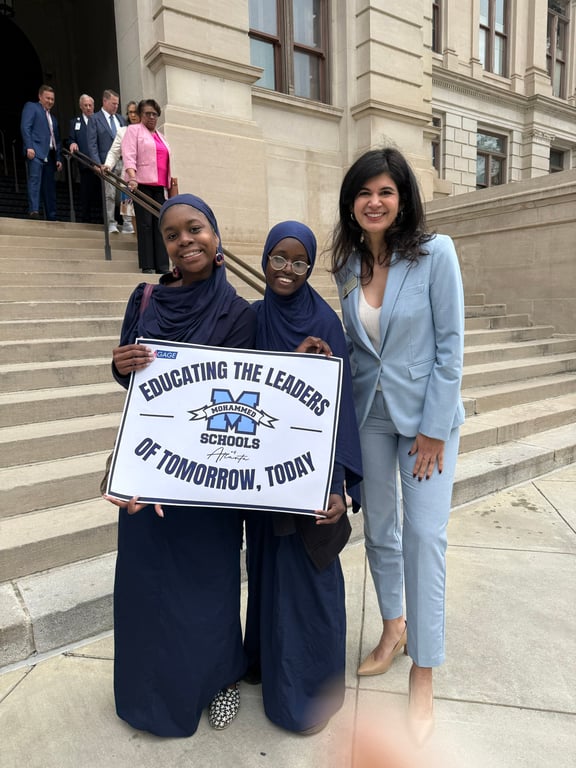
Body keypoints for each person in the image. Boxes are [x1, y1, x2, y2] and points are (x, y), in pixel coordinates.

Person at [105, 193, 257, 737]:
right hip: (147, 477)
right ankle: (147, 693)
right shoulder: (145, 298)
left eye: (195, 228)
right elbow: (136, 382)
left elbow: (239, 401)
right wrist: (120, 365)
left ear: (215, 236)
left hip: (207, 481)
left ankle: (218, 680)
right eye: (173, 234)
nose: (185, 240)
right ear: (165, 244)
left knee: (208, 586)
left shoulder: (239, 314)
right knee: (146, 587)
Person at [330, 147, 465, 745]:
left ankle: (423, 672)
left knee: (424, 538)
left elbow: (450, 347)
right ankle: (393, 628)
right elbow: (359, 349)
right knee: (380, 528)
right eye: (365, 193)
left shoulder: (436, 255)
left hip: (428, 422)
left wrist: (435, 426)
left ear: (403, 198)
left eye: (386, 192)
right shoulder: (345, 267)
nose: (375, 202)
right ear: (352, 204)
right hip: (371, 417)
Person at [243, 221, 363, 735]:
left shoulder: (326, 322)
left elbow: (339, 406)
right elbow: (237, 390)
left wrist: (337, 484)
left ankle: (308, 695)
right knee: (269, 575)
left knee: (309, 582)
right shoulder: (252, 318)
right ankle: (268, 669)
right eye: (278, 258)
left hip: (309, 483)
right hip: (262, 479)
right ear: (266, 258)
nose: (286, 271)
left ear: (310, 267)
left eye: (299, 262)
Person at [121, 98, 174, 274]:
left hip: (159, 185)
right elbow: (129, 154)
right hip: (141, 183)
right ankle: (148, 264)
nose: (151, 117)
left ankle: (162, 264)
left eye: (154, 114)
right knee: (145, 224)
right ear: (141, 115)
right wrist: (132, 176)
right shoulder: (133, 130)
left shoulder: (160, 135)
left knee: (160, 224)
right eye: (148, 113)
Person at [86, 89, 126, 233]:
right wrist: (97, 164)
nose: (116, 106)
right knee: (109, 194)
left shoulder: (121, 119)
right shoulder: (94, 119)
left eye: (117, 104)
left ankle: (127, 222)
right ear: (105, 101)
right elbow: (92, 144)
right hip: (106, 163)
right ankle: (111, 223)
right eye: (113, 103)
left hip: (123, 161)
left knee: (124, 193)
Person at [20, 84, 62, 220]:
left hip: (49, 156)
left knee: (49, 187)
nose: (50, 101)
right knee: (35, 182)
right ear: (40, 96)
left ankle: (51, 215)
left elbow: (57, 140)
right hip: (36, 152)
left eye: (52, 99)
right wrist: (29, 146)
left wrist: (58, 158)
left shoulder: (53, 119)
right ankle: (34, 211)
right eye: (47, 98)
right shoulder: (32, 107)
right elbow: (25, 127)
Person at [103, 100, 141, 234]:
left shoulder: (147, 131)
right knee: (127, 201)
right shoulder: (123, 131)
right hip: (128, 174)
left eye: (135, 112)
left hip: (144, 175)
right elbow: (114, 152)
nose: (133, 115)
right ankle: (127, 223)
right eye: (130, 112)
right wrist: (108, 165)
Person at [67, 93, 101, 223]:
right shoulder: (74, 122)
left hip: (98, 163)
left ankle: (102, 218)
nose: (88, 108)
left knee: (101, 193)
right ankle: (86, 218)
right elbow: (70, 139)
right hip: (84, 163)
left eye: (90, 105)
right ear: (81, 107)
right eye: (85, 105)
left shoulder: (99, 121)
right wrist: (72, 143)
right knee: (86, 192)